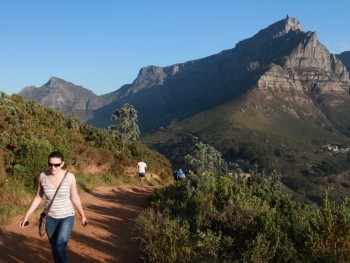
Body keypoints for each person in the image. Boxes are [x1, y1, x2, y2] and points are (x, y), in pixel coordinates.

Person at [19, 150, 88, 263]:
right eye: (50, 164)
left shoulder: (70, 177)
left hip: (66, 217)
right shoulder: (42, 176)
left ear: (62, 163)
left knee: (60, 246)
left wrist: (83, 215)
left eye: (56, 165)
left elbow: (75, 197)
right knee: (56, 249)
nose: (53, 167)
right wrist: (26, 216)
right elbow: (38, 197)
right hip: (49, 218)